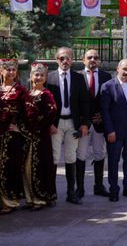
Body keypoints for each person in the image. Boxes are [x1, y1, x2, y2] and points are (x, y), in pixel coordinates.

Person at [46, 47, 90, 204]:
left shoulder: (78, 78)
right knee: (54, 157)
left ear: (72, 60)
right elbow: (44, 104)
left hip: (73, 123)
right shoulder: (49, 78)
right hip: (55, 124)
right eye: (61, 58)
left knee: (71, 157)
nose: (65, 61)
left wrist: (85, 124)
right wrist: (49, 124)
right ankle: (50, 194)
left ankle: (71, 193)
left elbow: (85, 103)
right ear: (56, 59)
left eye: (68, 58)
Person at [100, 59, 127, 202]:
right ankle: (114, 190)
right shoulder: (108, 87)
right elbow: (105, 111)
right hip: (114, 131)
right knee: (114, 161)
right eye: (125, 69)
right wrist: (109, 130)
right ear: (118, 69)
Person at [75, 49, 111, 198]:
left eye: (96, 57)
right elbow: (75, 102)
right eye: (89, 57)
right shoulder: (77, 77)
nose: (93, 60)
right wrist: (83, 120)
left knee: (100, 153)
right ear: (84, 60)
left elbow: (109, 100)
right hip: (83, 124)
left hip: (99, 123)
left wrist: (102, 116)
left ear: (99, 61)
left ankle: (99, 186)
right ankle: (80, 188)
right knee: (81, 154)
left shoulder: (106, 76)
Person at [24, 63, 58, 210]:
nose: (38, 77)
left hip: (40, 137)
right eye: (36, 75)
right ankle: (30, 198)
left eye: (41, 75)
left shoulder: (47, 94)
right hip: (27, 137)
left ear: (45, 78)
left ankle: (41, 198)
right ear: (31, 77)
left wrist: (35, 126)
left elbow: (50, 114)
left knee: (41, 166)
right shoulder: (27, 94)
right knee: (27, 167)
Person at [0, 59, 28, 214]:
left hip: (13, 138)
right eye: (7, 70)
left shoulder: (21, 91)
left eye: (13, 70)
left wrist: (19, 127)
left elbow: (28, 114)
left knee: (10, 168)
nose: (11, 72)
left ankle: (10, 202)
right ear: (1, 71)